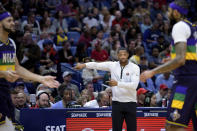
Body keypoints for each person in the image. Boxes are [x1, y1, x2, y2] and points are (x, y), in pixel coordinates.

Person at [0, 5, 59, 131]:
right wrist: (3, 73)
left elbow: (17, 68)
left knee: (9, 127)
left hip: (3, 89)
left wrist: (41, 78)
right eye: (9, 21)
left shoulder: (11, 43)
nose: (13, 23)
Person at [140, 0, 197, 130]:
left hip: (184, 82)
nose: (167, 13)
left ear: (176, 12)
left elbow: (180, 60)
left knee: (173, 125)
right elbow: (188, 57)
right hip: (193, 79)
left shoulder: (179, 26)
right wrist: (171, 61)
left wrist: (152, 72)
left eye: (169, 10)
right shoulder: (192, 27)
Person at [74, 47, 140, 131]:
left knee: (132, 129)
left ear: (128, 55)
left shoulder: (135, 67)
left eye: (124, 54)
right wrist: (84, 65)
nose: (123, 56)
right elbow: (97, 65)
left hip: (130, 103)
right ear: (117, 55)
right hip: (117, 103)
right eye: (120, 54)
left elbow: (134, 85)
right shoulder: (112, 65)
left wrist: (118, 84)